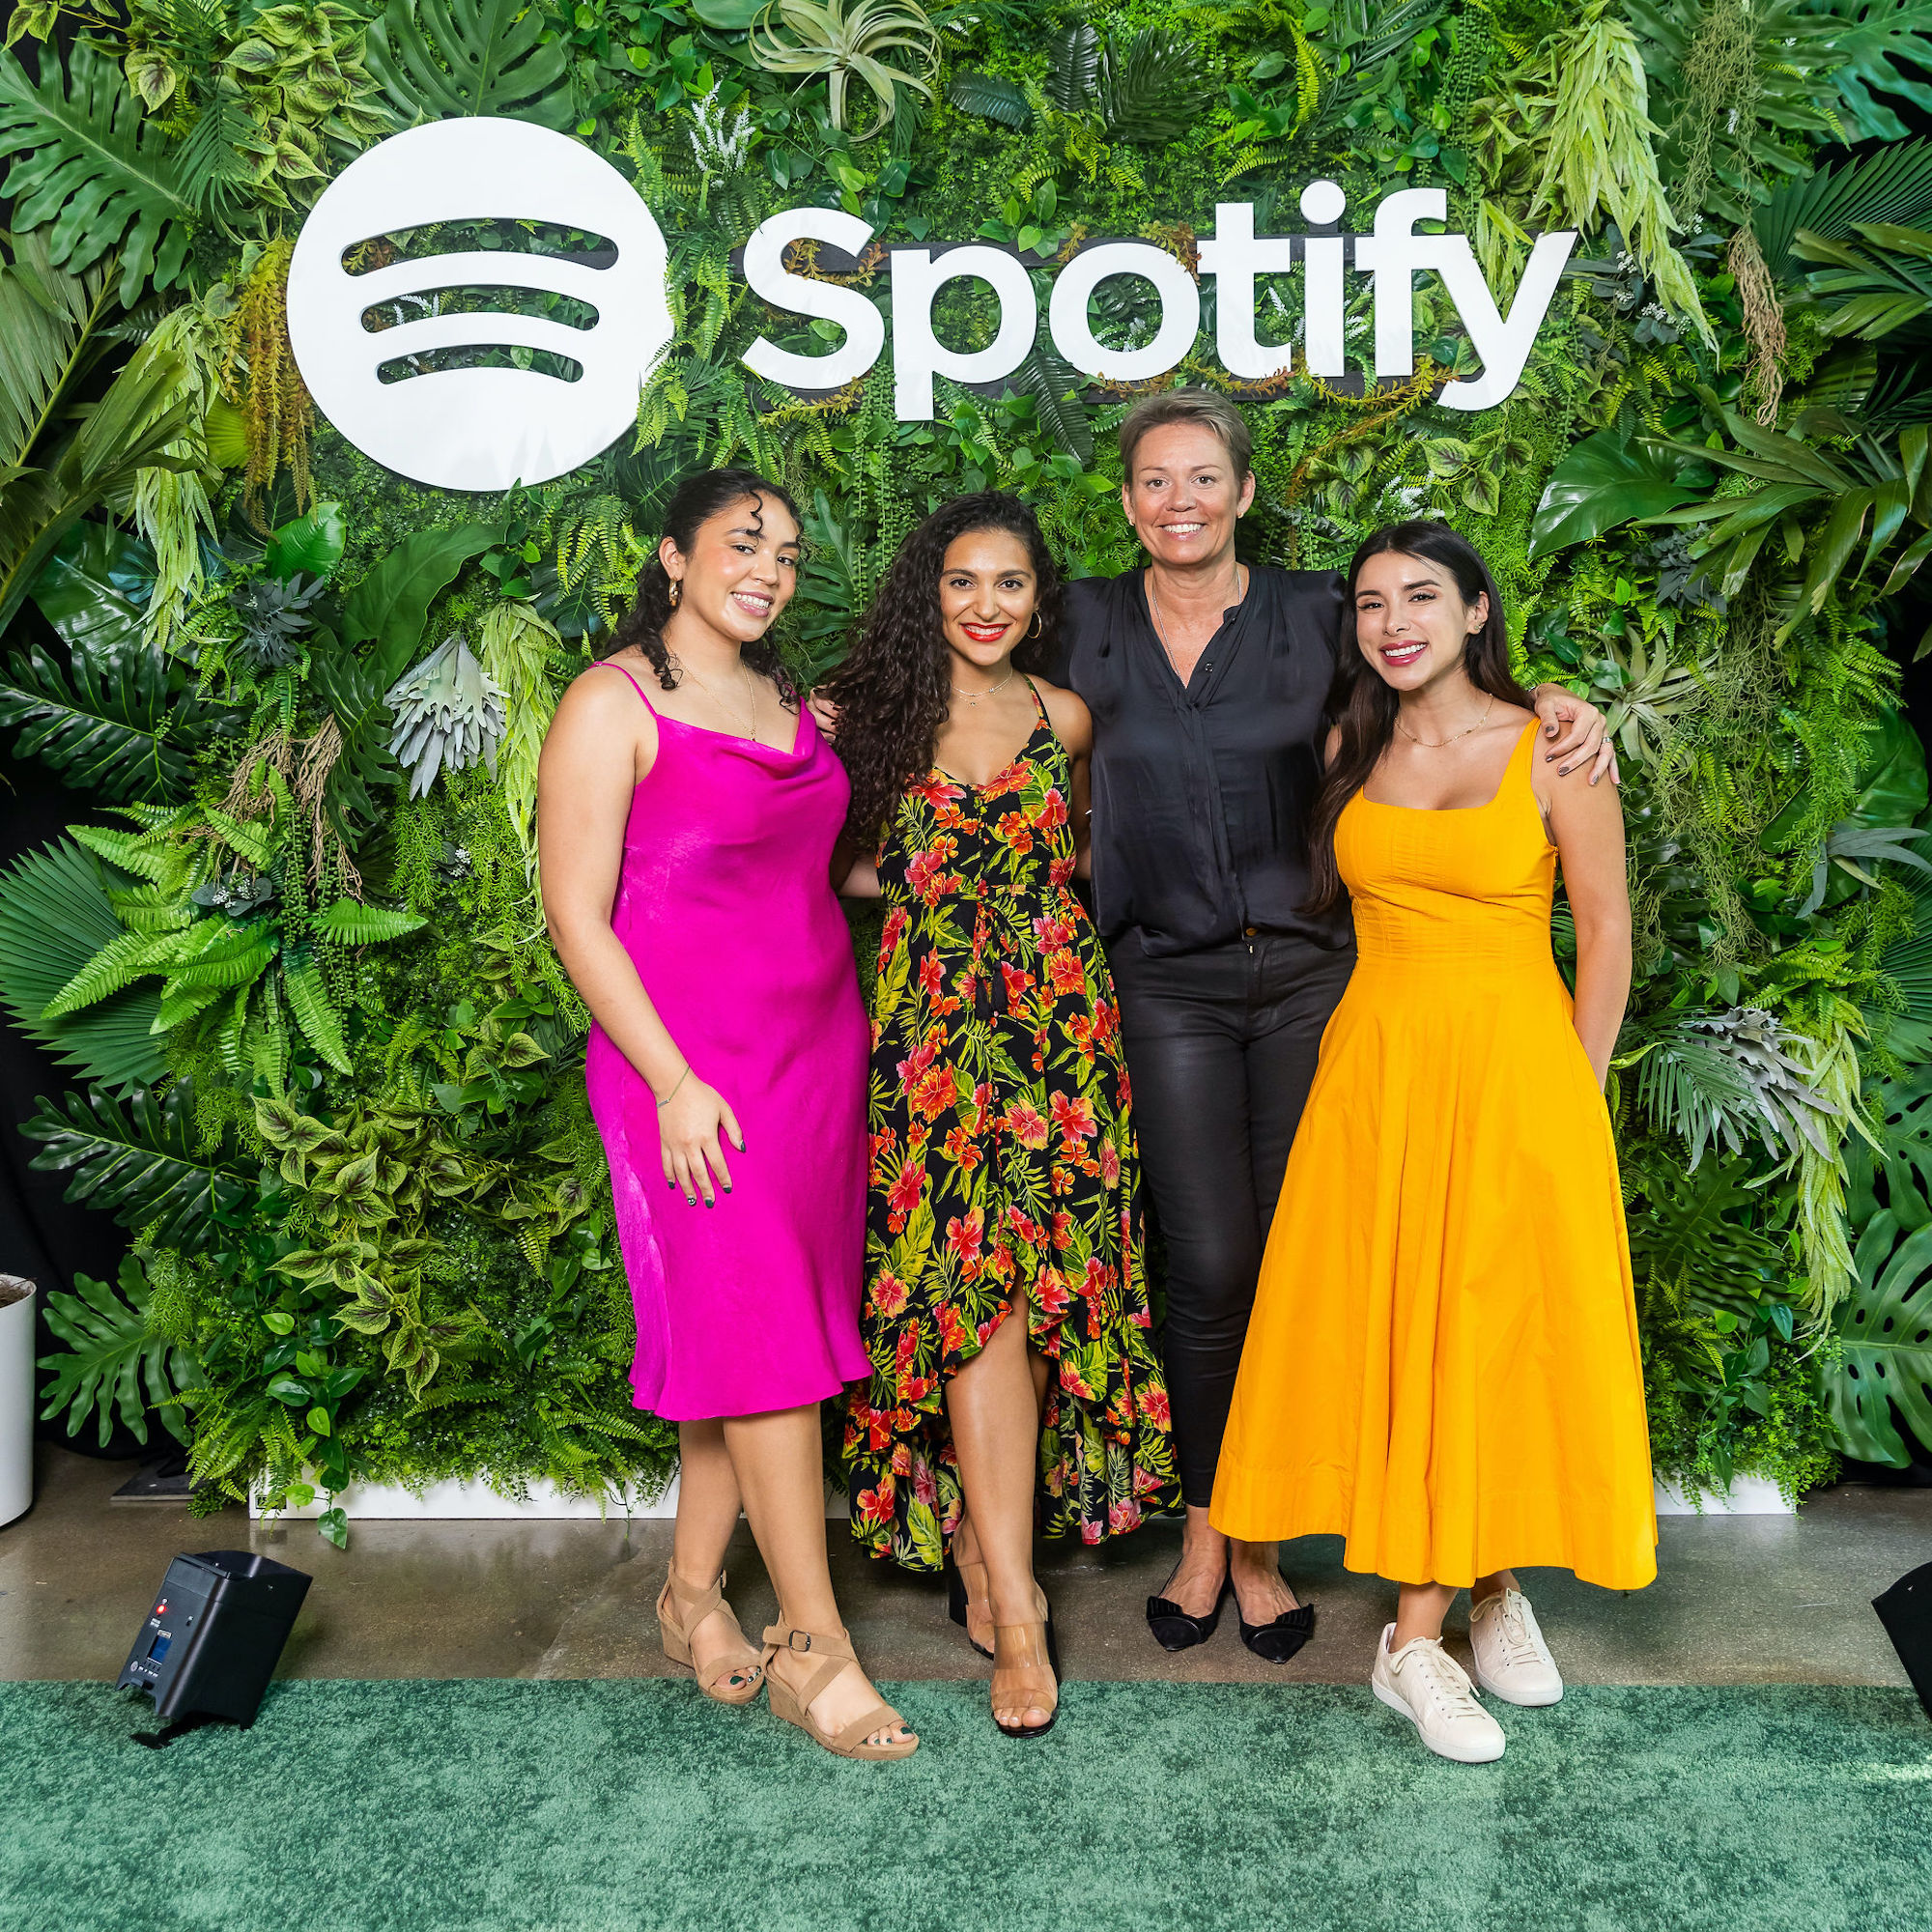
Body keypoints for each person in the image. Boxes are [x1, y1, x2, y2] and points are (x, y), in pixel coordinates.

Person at [1040, 388, 1617, 1659]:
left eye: (1204, 477)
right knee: (1210, 1265)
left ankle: (1270, 1546)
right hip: (1167, 980)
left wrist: (1560, 702)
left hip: (1319, 980)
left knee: (1326, 1269)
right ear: (1125, 500)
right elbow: (958, 656)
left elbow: (1443, 671)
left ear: (1244, 493)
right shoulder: (1079, 620)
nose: (1180, 501)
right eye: (1154, 480)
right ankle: (1213, 1528)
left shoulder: (1320, 611)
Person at [1211, 520, 1656, 1763]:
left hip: (1513, 1072)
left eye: (1419, 596)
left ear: (1474, 610)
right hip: (1378, 1072)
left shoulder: (1552, 747)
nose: (1392, 621)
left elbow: (1605, 932)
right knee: (1409, 1331)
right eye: (1368, 603)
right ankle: (1469, 1597)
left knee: (1485, 1326)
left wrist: (1573, 1091)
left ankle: (1421, 1631)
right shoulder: (1351, 742)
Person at [537, 467, 915, 1762]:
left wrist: (979, 870)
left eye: (789, 554)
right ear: (673, 556)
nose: (770, 570)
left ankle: (690, 1595)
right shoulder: (609, 703)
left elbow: (822, 868)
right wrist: (673, 1080)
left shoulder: (791, 704)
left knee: (752, 1336)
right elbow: (576, 914)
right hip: (689, 1074)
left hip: (813, 1056)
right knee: (767, 1345)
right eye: (744, 544)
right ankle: (817, 1642)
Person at [823, 492, 1179, 1738]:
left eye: (1009, 583)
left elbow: (1077, 855)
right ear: (929, 591)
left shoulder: (1062, 716)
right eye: (963, 580)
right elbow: (830, 857)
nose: (985, 604)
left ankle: (987, 1543)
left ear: (1038, 599)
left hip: (1058, 1028)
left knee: (1035, 1297)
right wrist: (922, 885)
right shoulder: (869, 718)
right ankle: (1019, 1616)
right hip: (932, 1035)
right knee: (975, 1296)